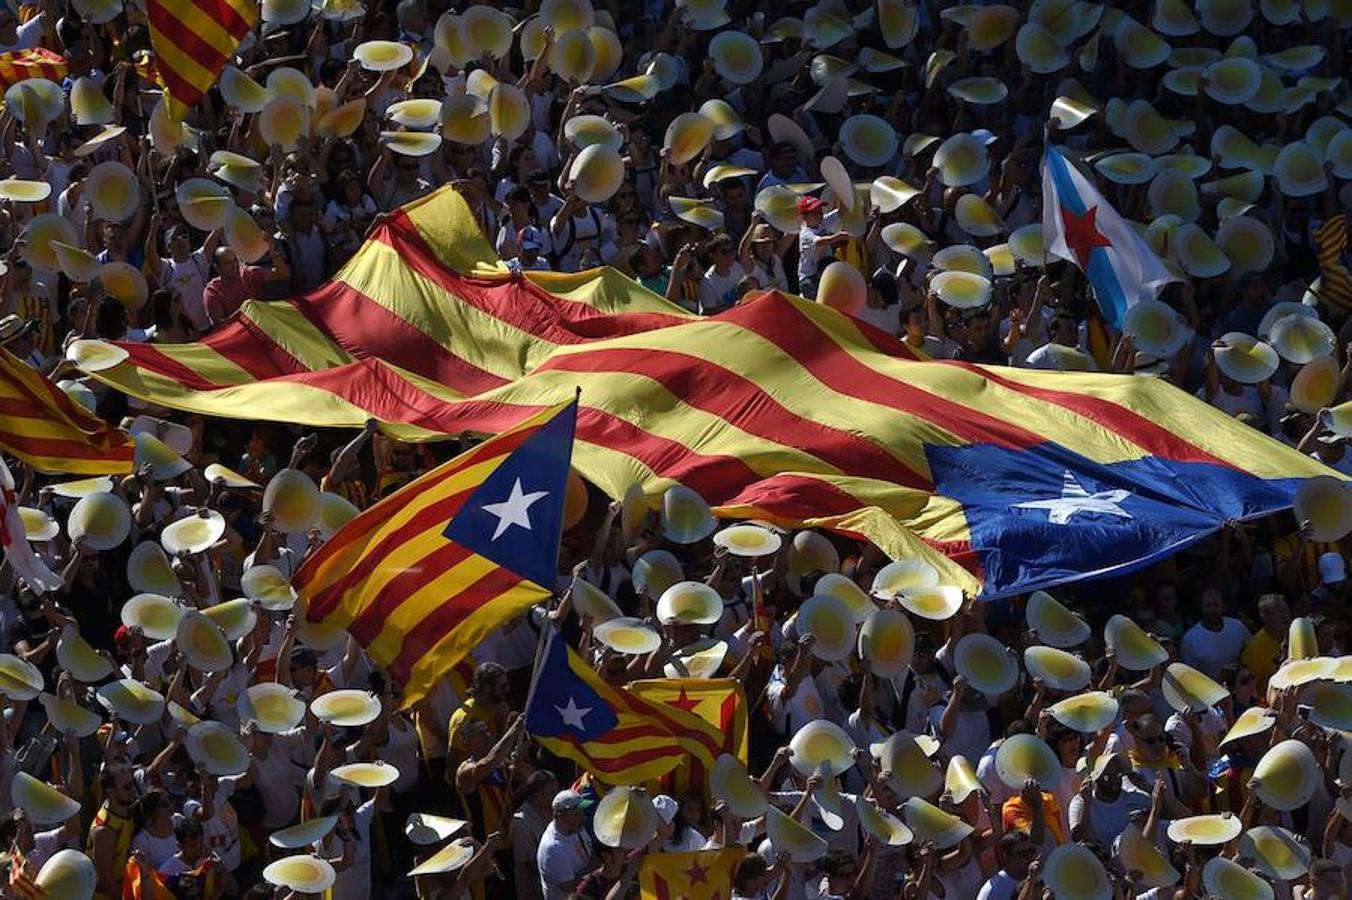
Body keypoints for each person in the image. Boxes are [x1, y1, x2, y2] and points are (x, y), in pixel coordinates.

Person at [1179, 588, 1251, 679]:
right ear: (1201, 608)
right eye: (1207, 606)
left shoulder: (1237, 627)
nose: (1212, 610)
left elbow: (1251, 653)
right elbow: (1188, 675)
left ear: (1224, 607)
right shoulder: (1190, 639)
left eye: (1216, 605)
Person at [536, 790, 592, 900]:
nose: (583, 818)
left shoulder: (575, 827)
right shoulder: (552, 849)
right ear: (559, 816)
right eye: (576, 814)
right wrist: (598, 867)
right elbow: (570, 887)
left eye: (582, 812)